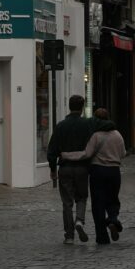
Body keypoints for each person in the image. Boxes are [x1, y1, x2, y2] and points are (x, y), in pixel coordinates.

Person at [47, 94, 97, 243]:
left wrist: (52, 168)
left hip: (65, 167)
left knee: (67, 201)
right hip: (82, 167)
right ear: (82, 108)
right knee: (81, 197)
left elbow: (52, 149)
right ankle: (79, 220)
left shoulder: (61, 125)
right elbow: (93, 146)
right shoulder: (88, 125)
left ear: (69, 106)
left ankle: (69, 235)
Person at [81, 107, 127, 246]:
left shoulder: (96, 135)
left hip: (98, 171)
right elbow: (123, 153)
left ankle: (102, 237)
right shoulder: (117, 134)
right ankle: (113, 220)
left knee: (98, 204)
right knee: (113, 199)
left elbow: (88, 154)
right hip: (114, 171)